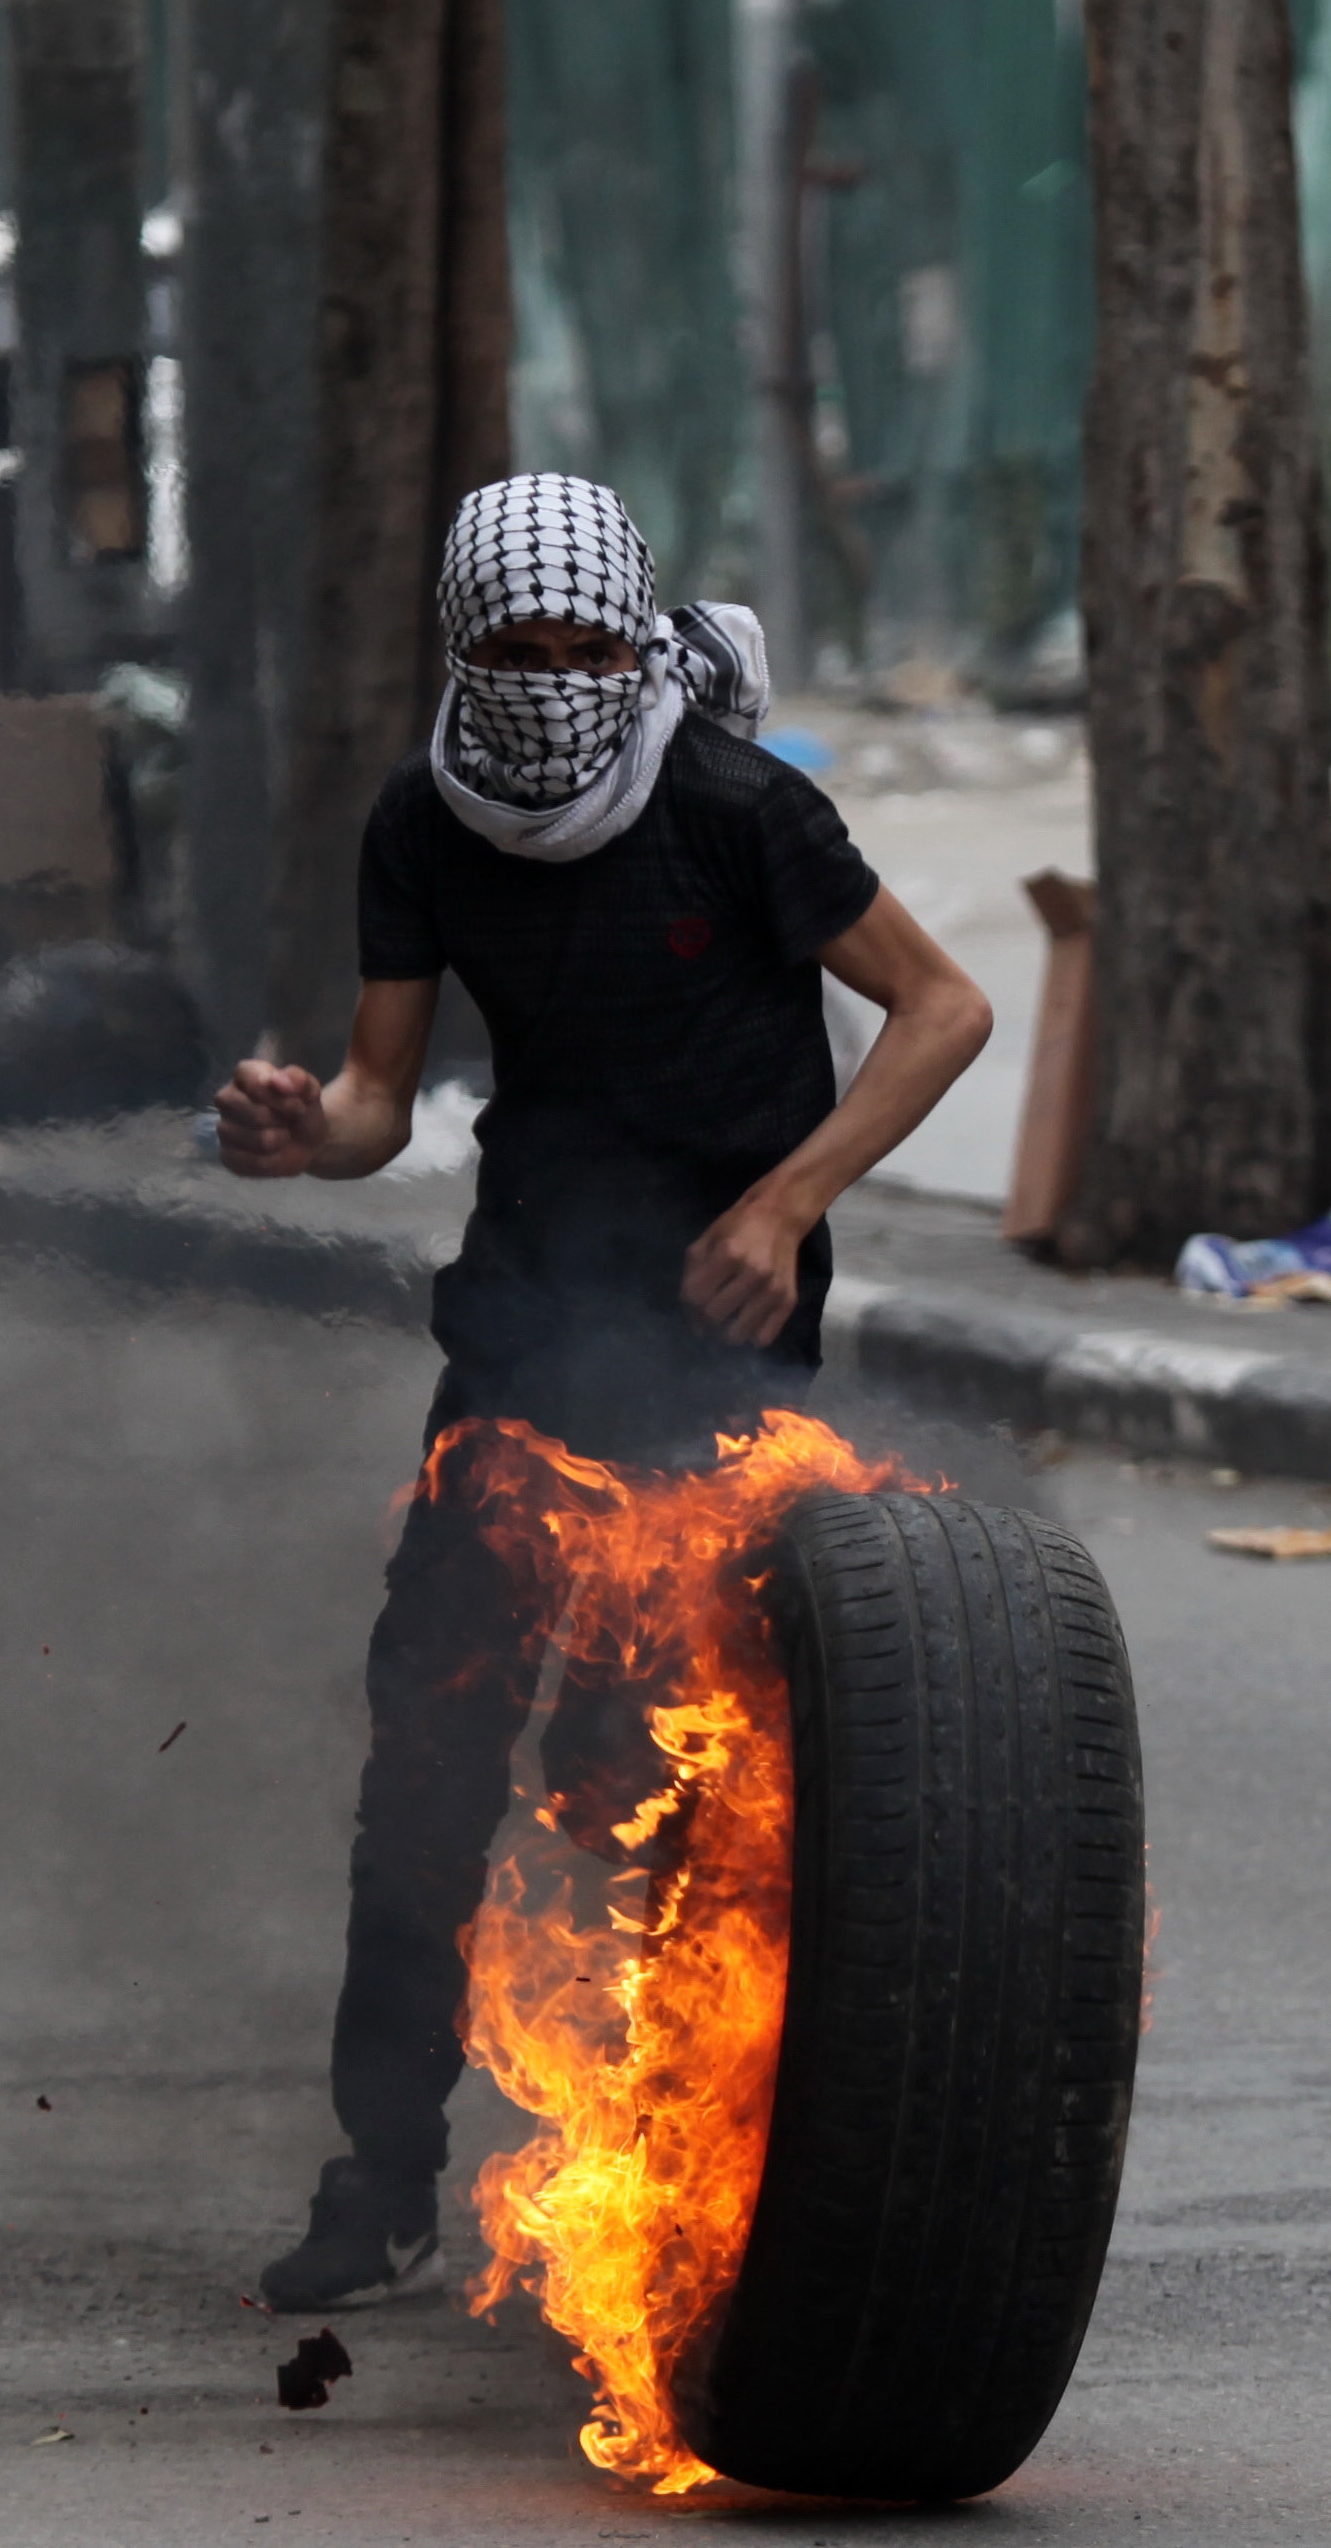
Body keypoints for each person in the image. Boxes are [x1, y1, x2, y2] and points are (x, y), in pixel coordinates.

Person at [216, 473, 994, 2311]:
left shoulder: (734, 804)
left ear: (638, 640)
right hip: (525, 1325)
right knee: (425, 1760)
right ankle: (380, 2178)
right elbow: (379, 1101)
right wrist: (293, 1137)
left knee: (667, 1763)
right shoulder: (425, 821)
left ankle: (681, 2169)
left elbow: (944, 1006)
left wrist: (790, 1201)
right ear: (462, 649)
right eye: (516, 650)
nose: (556, 683)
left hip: (721, 1327)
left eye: (587, 648)